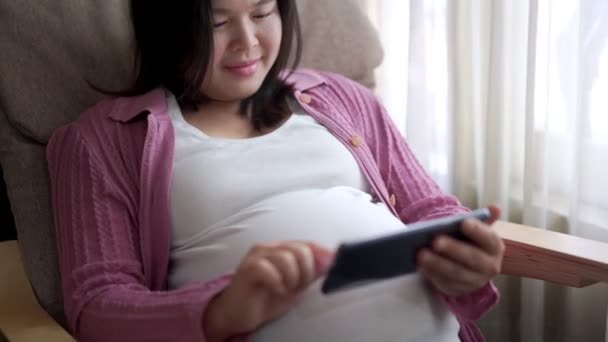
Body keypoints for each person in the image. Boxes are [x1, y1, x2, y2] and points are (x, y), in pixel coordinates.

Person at [47, 0, 505, 341]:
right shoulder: (104, 140)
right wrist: (218, 310)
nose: (247, 42)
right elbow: (97, 305)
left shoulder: (342, 97)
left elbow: (429, 209)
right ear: (167, 28)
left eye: (263, 12)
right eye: (217, 23)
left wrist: (462, 258)